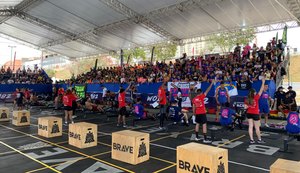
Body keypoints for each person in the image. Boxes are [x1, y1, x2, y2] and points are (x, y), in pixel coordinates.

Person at [244, 77, 266, 144]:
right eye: (255, 92)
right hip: (255, 114)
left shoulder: (246, 99)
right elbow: (261, 90)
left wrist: (249, 106)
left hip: (249, 113)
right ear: (253, 93)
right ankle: (259, 139)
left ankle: (251, 140)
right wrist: (263, 82)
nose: (256, 92)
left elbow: (245, 108)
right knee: (257, 128)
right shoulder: (256, 97)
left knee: (250, 126)